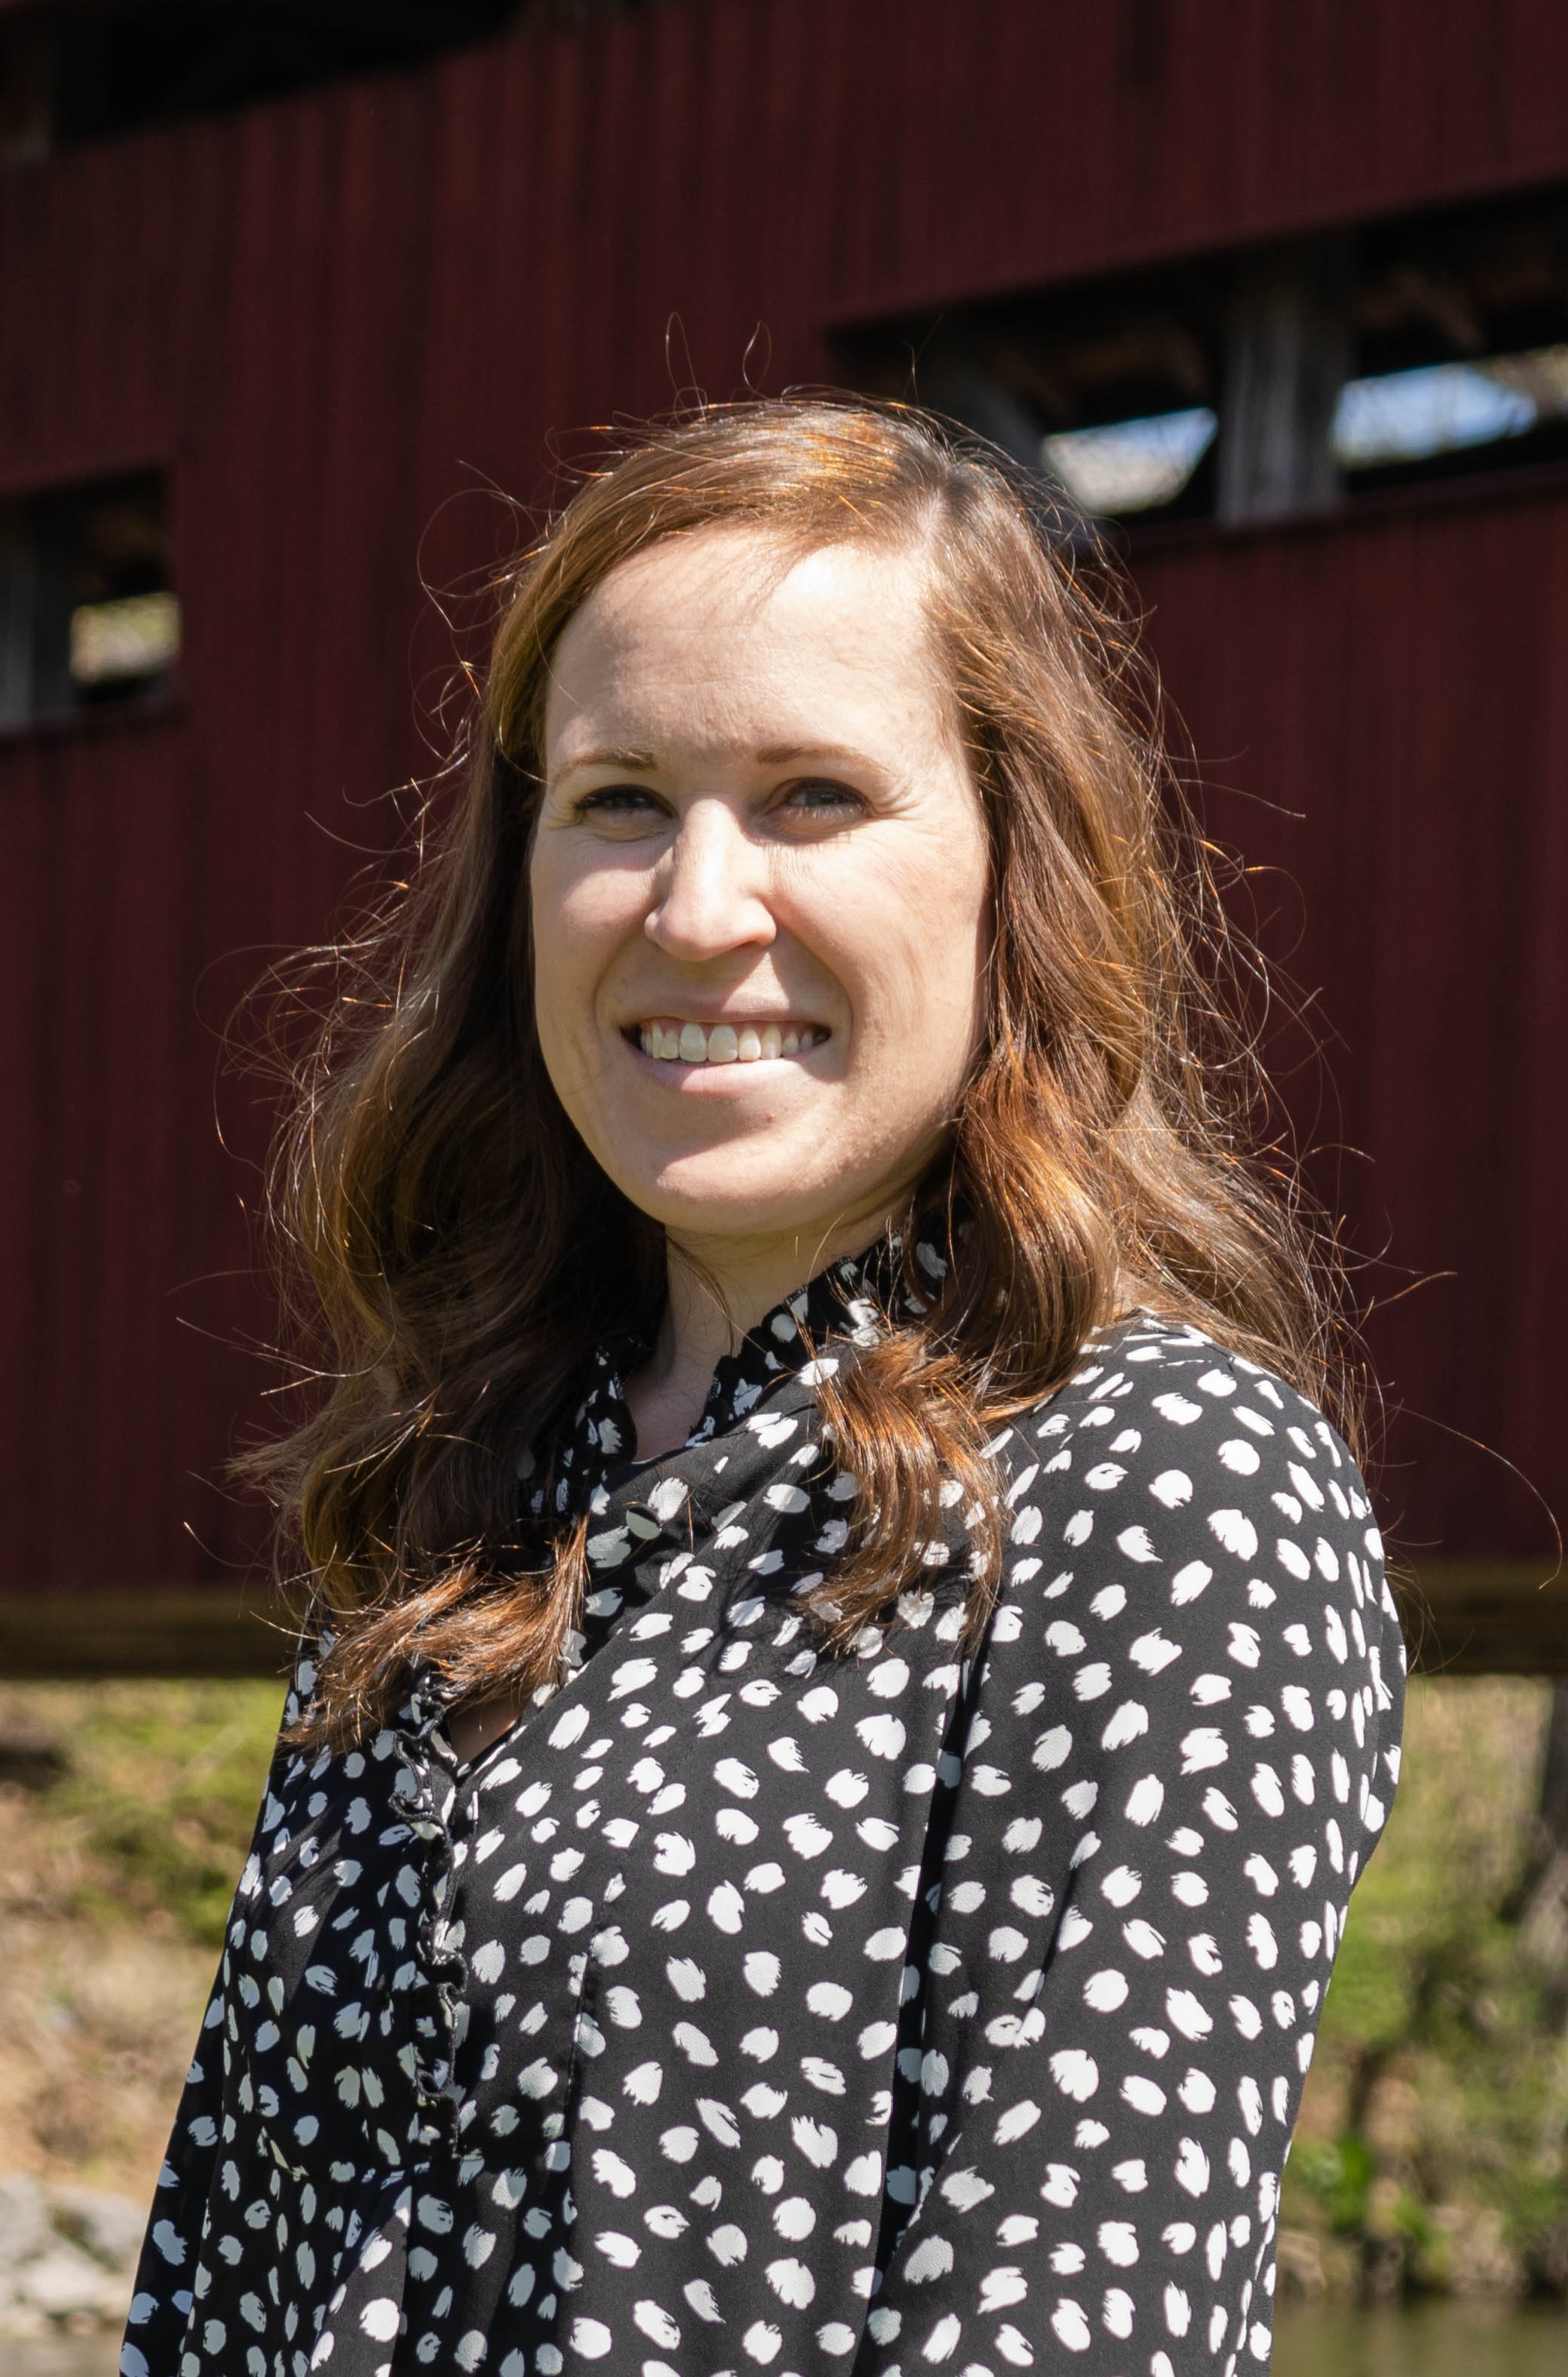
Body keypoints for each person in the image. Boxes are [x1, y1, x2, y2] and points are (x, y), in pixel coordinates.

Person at [122, 399, 1404, 2377]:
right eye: (619, 799)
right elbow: (216, 2279)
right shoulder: (457, 1494)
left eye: (811, 794)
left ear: (1016, 865)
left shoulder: (1162, 1489)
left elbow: (1070, 2332)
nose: (698, 905)